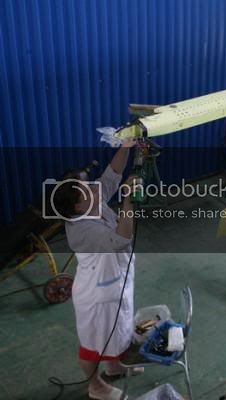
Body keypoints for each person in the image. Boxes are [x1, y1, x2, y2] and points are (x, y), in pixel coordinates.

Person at [53, 140, 141, 400]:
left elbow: (112, 174)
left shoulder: (92, 202)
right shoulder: (82, 230)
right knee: (92, 345)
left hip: (115, 282)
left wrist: (126, 145)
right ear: (77, 207)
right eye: (87, 189)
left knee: (118, 328)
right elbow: (121, 239)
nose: (94, 188)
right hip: (97, 296)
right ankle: (96, 386)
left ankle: (114, 366)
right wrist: (128, 199)